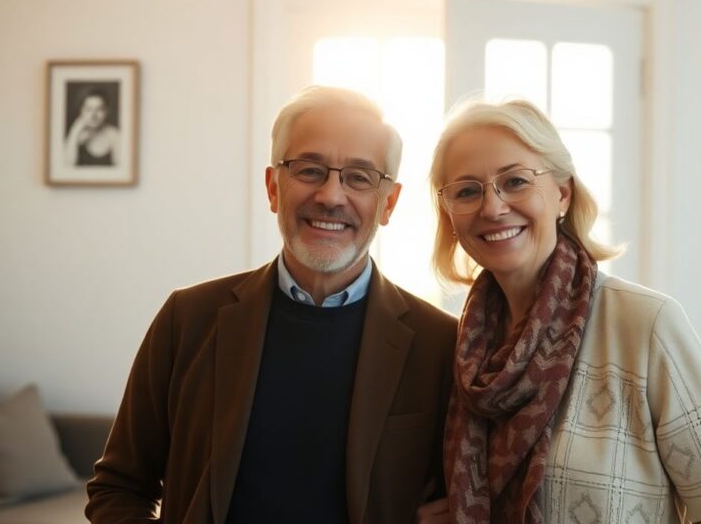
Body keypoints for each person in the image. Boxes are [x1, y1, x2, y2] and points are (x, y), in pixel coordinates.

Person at [86, 86, 457, 523]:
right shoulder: (187, 319)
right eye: (309, 170)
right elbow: (118, 488)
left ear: (388, 203)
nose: (331, 196)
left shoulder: (441, 344)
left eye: (359, 177)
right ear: (273, 187)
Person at [422, 99, 701, 523]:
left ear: (562, 194)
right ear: (449, 214)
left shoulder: (645, 325)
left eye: (515, 181)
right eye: (467, 191)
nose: (492, 208)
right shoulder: (461, 350)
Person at [64, 87, 120, 167]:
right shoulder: (75, 134)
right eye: (88, 109)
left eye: (99, 109)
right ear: (81, 110)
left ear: (107, 111)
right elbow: (67, 168)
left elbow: (121, 170)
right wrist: (75, 132)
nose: (93, 115)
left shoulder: (114, 135)